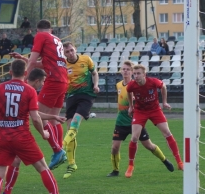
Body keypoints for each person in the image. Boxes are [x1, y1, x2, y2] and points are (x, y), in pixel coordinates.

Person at [0, 59, 59, 194]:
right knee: (43, 167)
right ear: (26, 73)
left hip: (3, 137)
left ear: (10, 72)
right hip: (22, 136)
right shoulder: (29, 90)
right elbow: (35, 118)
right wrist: (43, 133)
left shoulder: (0, 88)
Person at [106, 61, 174, 177]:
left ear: (132, 72)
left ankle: (164, 160)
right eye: (123, 69)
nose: (125, 71)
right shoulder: (118, 85)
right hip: (121, 121)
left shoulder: (136, 85)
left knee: (149, 146)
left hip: (136, 121)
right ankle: (115, 170)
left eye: (128, 69)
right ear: (121, 71)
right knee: (114, 147)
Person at [125, 64, 184, 178]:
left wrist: (164, 102)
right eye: (135, 73)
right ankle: (131, 165)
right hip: (140, 111)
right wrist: (131, 106)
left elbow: (163, 87)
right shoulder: (132, 85)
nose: (136, 76)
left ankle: (179, 162)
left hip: (155, 110)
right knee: (134, 137)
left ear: (144, 74)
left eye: (138, 73)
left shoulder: (153, 82)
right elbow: (128, 91)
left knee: (167, 133)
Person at [25, 19, 68, 170]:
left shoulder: (41, 36)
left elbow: (33, 59)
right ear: (51, 29)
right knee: (53, 120)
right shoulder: (56, 39)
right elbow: (46, 63)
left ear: (38, 31)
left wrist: (24, 78)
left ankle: (57, 150)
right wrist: (27, 61)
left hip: (53, 80)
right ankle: (59, 149)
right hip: (63, 81)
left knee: (37, 114)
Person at [62, 41, 99, 179]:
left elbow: (94, 73)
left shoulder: (86, 59)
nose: (70, 53)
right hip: (71, 97)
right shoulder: (64, 65)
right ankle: (72, 164)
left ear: (75, 48)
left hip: (86, 96)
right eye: (67, 52)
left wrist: (95, 85)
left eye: (71, 50)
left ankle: (61, 147)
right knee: (70, 131)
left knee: (74, 125)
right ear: (64, 53)